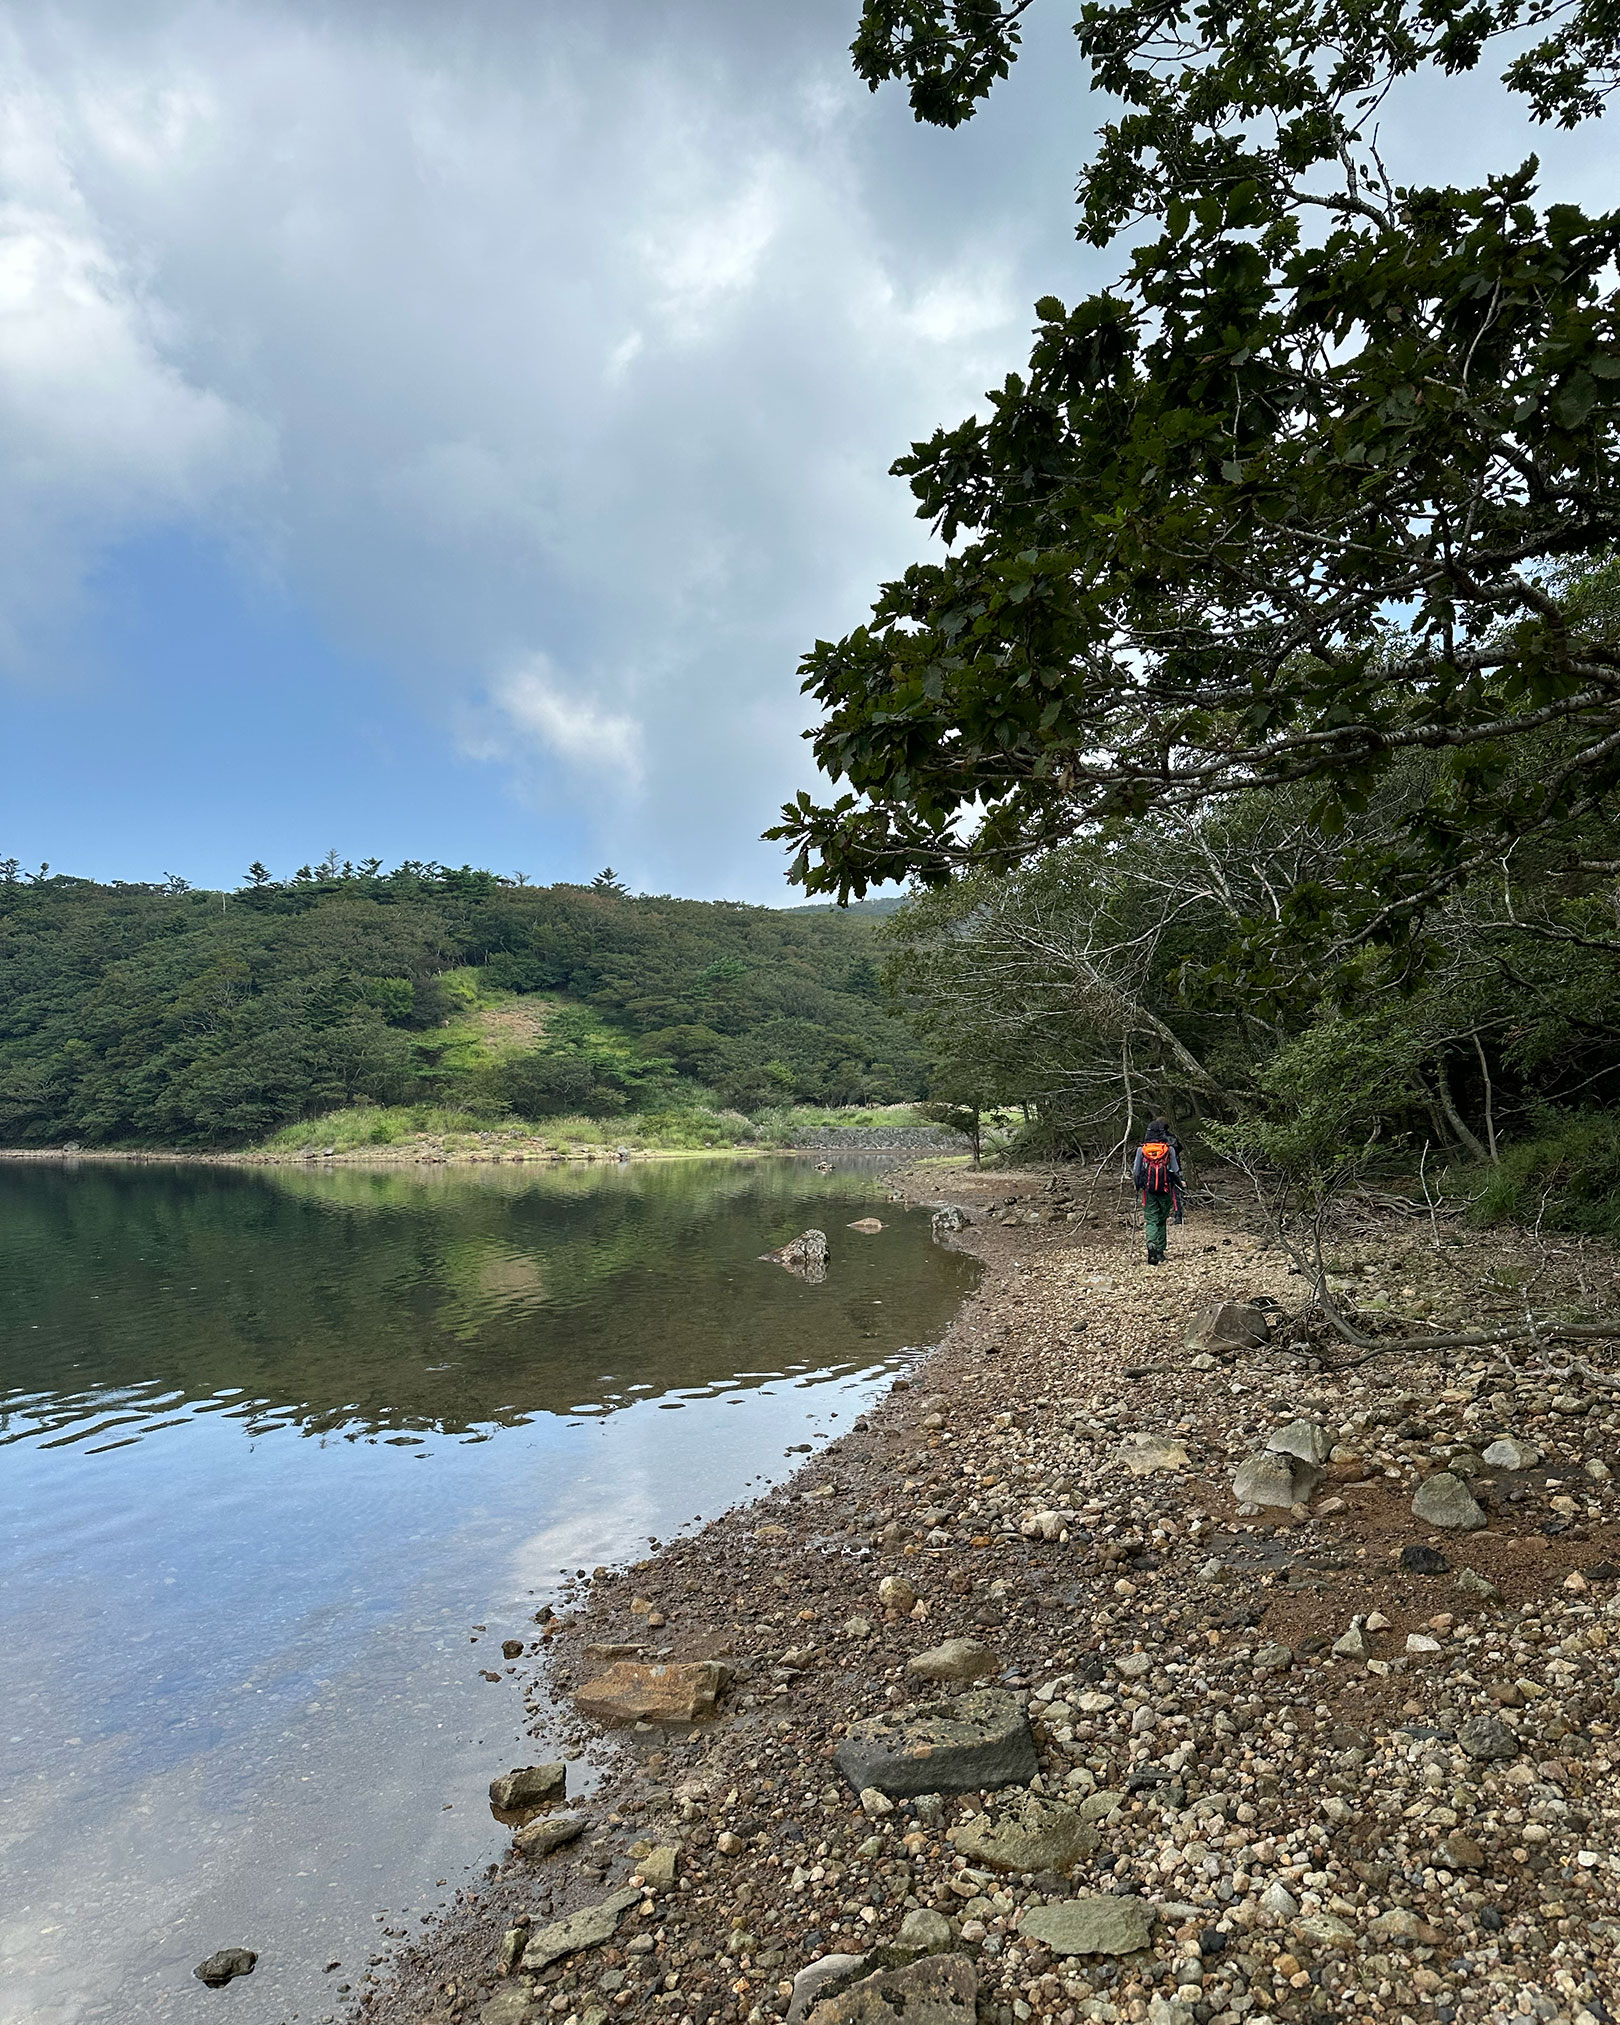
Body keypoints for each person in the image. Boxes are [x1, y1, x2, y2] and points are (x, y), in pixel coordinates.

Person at [1132, 1119, 1184, 1265]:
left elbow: (1136, 1172)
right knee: (1162, 1218)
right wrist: (1179, 1183)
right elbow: (1175, 1170)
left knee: (1151, 1219)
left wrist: (1138, 1185)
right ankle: (1160, 1251)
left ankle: (1151, 1246)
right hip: (1166, 1189)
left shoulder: (1141, 1150)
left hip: (1148, 1190)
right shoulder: (1169, 1149)